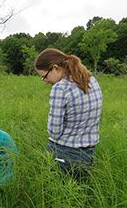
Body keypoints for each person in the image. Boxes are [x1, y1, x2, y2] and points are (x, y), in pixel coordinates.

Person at [34, 48, 103, 177]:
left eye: (44, 76)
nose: (45, 81)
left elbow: (54, 131)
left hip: (64, 153)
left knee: (56, 193)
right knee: (81, 192)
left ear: (55, 67)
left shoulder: (60, 88)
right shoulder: (91, 80)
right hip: (88, 154)